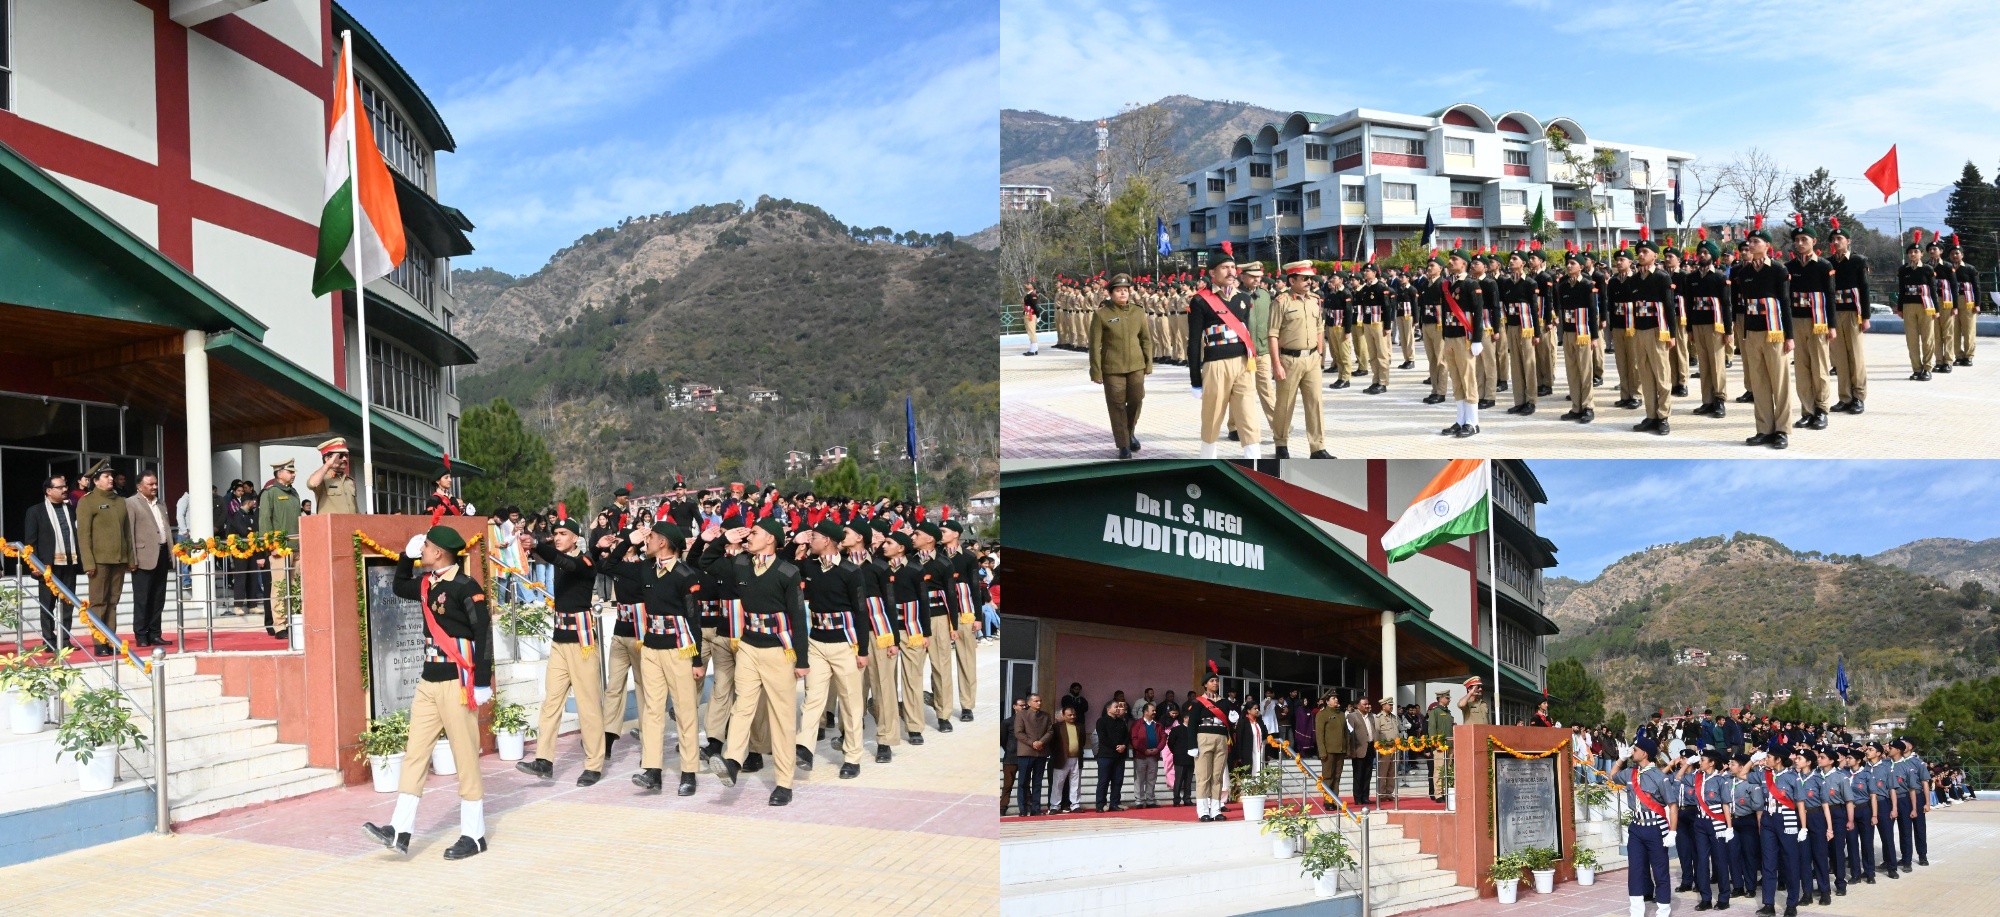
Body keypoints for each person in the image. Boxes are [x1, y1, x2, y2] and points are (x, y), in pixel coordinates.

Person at [361, 525, 493, 860]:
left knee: (465, 758)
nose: (423, 549)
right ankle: (400, 829)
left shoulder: (465, 586)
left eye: (427, 546)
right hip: (428, 681)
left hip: (457, 683)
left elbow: (483, 632)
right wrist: (405, 558)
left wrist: (482, 682)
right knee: (416, 753)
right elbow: (399, 585)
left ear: (440, 553)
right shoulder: (426, 583)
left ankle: (474, 835)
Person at [693, 516, 810, 805]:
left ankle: (784, 782)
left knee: (782, 717)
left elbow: (797, 617)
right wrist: (724, 539)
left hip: (779, 650)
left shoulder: (787, 571)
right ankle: (732, 761)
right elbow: (705, 562)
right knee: (742, 705)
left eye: (754, 533)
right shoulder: (742, 563)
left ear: (770, 538)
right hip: (747, 645)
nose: (749, 537)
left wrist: (802, 660)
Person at [599, 521, 706, 795]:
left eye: (652, 537)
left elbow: (694, 618)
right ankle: (653, 771)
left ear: (663, 543)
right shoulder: (646, 568)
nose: (648, 540)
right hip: (650, 649)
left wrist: (696, 661)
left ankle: (689, 773)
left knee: (684, 712)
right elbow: (609, 567)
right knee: (652, 711)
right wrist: (628, 541)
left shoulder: (685, 574)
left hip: (679, 650)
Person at [515, 514, 609, 787]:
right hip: (559, 640)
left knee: (588, 705)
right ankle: (544, 761)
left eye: (563, 534)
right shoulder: (559, 556)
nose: (557, 537)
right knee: (551, 702)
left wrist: (536, 544)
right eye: (554, 534)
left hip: (582, 642)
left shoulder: (586, 561)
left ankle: (594, 764)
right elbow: (556, 559)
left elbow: (564, 563)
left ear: (575, 538)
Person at [793, 520, 878, 779]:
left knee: (851, 703)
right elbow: (785, 566)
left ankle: (852, 757)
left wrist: (862, 649)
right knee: (812, 699)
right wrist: (795, 544)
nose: (811, 541)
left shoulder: (851, 571)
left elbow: (862, 611)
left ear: (827, 540)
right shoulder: (809, 567)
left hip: (845, 644)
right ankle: (804, 748)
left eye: (814, 537)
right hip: (817, 642)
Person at [1187, 249, 1262, 459]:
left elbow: (1246, 333)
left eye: (1232, 267)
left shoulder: (1244, 299)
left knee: (1248, 415)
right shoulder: (1201, 301)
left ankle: (1254, 459)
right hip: (1216, 364)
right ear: (1213, 272)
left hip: (1243, 364)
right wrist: (1195, 380)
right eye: (1224, 267)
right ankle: (1207, 458)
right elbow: (1194, 342)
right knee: (1212, 416)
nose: (1230, 271)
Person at [1734, 225, 1794, 449]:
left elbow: (1785, 303)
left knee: (1779, 383)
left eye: (1756, 241)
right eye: (1749, 241)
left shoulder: (1778, 270)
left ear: (1768, 246)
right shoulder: (1744, 273)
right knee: (1758, 383)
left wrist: (1789, 336)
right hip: (1753, 332)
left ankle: (1782, 430)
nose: (1751, 244)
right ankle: (1764, 429)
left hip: (1775, 333)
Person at [1267, 261, 1331, 459]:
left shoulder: (1314, 300)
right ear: (1292, 280)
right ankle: (1281, 444)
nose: (1309, 282)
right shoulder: (1281, 302)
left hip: (1311, 358)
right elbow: (1272, 335)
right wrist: (1276, 364)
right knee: (1285, 404)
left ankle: (1317, 447)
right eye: (1304, 278)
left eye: (1310, 278)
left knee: (1315, 403)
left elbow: (1320, 328)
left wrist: (1320, 353)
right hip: (1289, 360)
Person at [1088, 274, 1150, 459]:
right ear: (1111, 293)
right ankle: (1123, 444)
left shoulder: (1138, 312)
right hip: (1112, 368)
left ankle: (1129, 432)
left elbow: (1145, 339)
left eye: (1125, 290)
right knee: (1116, 406)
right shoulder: (1102, 314)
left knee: (1137, 400)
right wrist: (1096, 370)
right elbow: (1094, 345)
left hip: (1136, 365)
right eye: (1118, 290)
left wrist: (1148, 364)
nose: (1122, 293)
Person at [1614, 735, 1677, 917]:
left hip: (1655, 828)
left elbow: (1672, 805)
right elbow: (1612, 776)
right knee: (1635, 870)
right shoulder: (1630, 773)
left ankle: (1663, 911)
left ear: (1644, 753)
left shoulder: (1659, 776)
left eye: (1634, 750)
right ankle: (1636, 912)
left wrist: (1672, 831)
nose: (1632, 752)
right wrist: (1621, 759)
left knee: (1660, 871)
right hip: (1636, 828)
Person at [75, 460, 132, 656]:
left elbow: (127, 533)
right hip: (99, 561)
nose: (110, 479)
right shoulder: (87, 501)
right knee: (98, 602)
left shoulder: (120, 501)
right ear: (96, 481)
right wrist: (88, 562)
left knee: (113, 602)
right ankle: (99, 642)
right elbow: (83, 535)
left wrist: (130, 559)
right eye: (106, 476)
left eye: (111, 476)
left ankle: (110, 639)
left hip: (118, 559)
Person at [23, 475, 81, 653]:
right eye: (60, 487)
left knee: (68, 604)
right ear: (49, 491)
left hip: (69, 563)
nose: (65, 490)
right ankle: (49, 640)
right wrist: (35, 566)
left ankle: (64, 640)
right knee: (47, 604)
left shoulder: (71, 510)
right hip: (47, 567)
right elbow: (30, 542)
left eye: (65, 486)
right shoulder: (35, 511)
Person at [125, 471, 174, 648]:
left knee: (158, 597)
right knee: (142, 598)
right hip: (143, 556)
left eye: (155, 484)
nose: (154, 487)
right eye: (150, 484)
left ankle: (155, 633)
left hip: (161, 554)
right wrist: (132, 559)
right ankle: (141, 634)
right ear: (139, 486)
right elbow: (129, 533)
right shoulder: (131, 503)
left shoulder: (160, 503)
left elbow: (165, 528)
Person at [256, 458, 303, 639]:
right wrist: (271, 546)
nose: (293, 474)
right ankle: (279, 625)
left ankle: (294, 622)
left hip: (297, 547)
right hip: (280, 549)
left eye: (293, 471)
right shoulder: (270, 493)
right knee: (279, 588)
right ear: (279, 473)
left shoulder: (294, 493)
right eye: (290, 471)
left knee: (296, 588)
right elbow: (264, 521)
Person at [1185, 668, 1237, 822]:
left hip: (1221, 738)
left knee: (1217, 777)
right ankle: (1203, 811)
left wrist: (1233, 720)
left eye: (1216, 681)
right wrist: (1192, 745)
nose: (1215, 683)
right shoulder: (1198, 703)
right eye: (1212, 681)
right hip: (1204, 737)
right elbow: (1192, 725)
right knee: (1203, 777)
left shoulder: (1224, 702)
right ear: (1205, 684)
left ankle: (1216, 810)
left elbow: (1229, 724)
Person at [1894, 241, 1936, 381]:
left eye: (1916, 252)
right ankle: (1916, 369)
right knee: (1911, 339)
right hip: (1908, 306)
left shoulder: (1927, 269)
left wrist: (1936, 309)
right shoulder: (1903, 270)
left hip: (1925, 306)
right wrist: (1900, 308)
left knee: (1927, 338)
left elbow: (1933, 290)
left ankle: (1927, 368)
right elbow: (1901, 290)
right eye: (1910, 252)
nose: (1913, 254)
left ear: (1921, 254)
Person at [1013, 694, 1054, 817]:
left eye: (1040, 701)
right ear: (1029, 703)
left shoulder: (1045, 716)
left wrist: (1041, 742)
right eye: (1036, 701)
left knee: (1038, 782)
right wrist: (1032, 743)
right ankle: (1023, 808)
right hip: (1026, 752)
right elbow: (1018, 732)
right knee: (1023, 782)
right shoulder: (1021, 714)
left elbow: (1050, 731)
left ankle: (1036, 808)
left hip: (1041, 753)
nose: (1039, 703)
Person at [1094, 699, 1130, 812]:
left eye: (1119, 707)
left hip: (1119, 756)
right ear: (1108, 709)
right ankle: (1100, 804)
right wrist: (1117, 746)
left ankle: (1114, 803)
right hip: (1106, 755)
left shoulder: (1121, 722)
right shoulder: (1101, 721)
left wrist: (1124, 745)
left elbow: (1126, 736)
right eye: (1116, 707)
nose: (1118, 709)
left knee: (1117, 780)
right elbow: (1103, 738)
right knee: (1103, 781)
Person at [307, 438, 360, 514]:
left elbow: (355, 508)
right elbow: (312, 484)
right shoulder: (323, 478)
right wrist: (328, 464)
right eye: (340, 456)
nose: (345, 459)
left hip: (350, 524)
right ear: (327, 459)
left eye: (346, 455)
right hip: (330, 524)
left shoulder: (349, 480)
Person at [1050, 705, 1084, 813]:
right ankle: (1055, 806)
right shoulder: (1057, 727)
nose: (1072, 717)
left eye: (1074, 715)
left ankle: (1075, 805)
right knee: (1058, 784)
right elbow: (1052, 743)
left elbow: (1082, 741)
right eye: (1069, 715)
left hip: (1076, 759)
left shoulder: (1080, 726)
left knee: (1075, 783)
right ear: (1063, 715)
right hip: (1062, 759)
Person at [1130, 702, 1163, 809]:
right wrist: (1144, 750)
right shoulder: (1137, 724)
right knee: (1139, 779)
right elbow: (1134, 739)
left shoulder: (1158, 724)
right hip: (1140, 756)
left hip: (1153, 756)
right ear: (1145, 712)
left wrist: (1157, 749)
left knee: (1151, 779)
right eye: (1152, 710)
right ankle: (1139, 801)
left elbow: (1163, 738)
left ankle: (1150, 800)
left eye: (1155, 710)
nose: (1155, 712)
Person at [1346, 697, 1376, 806]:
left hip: (1370, 747)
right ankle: (1358, 798)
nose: (1367, 706)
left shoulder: (1372, 716)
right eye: (1365, 704)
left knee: (1368, 774)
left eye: (1368, 704)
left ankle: (1365, 797)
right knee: (1358, 775)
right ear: (1358, 706)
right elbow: (1350, 734)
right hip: (1358, 749)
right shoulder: (1352, 716)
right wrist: (1351, 750)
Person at [1317, 693, 1347, 797]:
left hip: (1340, 750)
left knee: (1337, 776)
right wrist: (1322, 751)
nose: (1336, 700)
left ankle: (1335, 799)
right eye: (1333, 698)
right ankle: (1328, 800)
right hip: (1328, 751)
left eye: (1336, 698)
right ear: (1327, 701)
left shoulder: (1342, 714)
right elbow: (1319, 735)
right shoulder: (1322, 714)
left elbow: (1346, 733)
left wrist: (1347, 749)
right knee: (1328, 776)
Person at [1021, 281, 1042, 356]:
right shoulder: (1028, 294)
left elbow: (1035, 306)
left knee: (1031, 332)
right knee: (1030, 332)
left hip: (1031, 315)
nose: (1026, 285)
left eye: (1028, 284)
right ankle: (1034, 349)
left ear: (1032, 286)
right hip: (1027, 314)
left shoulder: (1032, 295)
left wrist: (1038, 315)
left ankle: (1033, 350)